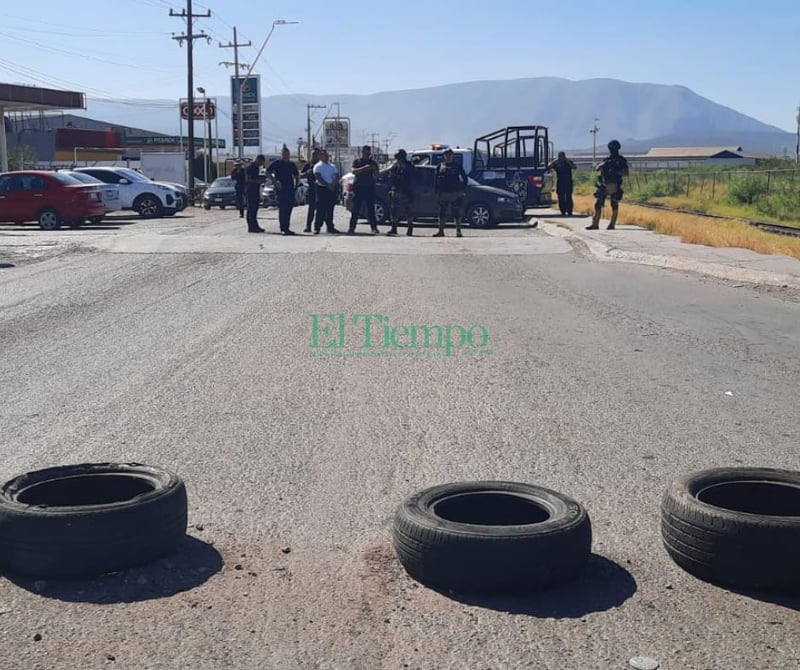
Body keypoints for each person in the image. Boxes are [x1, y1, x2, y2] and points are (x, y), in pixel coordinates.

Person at [588, 139, 629, 230]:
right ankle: (595, 224)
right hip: (604, 184)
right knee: (598, 203)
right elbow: (597, 169)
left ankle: (611, 224)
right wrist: (604, 164)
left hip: (614, 184)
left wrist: (615, 172)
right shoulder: (607, 160)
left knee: (613, 203)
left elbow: (626, 172)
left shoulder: (620, 160)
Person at [433, 148, 468, 237]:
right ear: (444, 156)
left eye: (450, 155)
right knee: (442, 212)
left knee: (456, 212)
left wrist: (461, 190)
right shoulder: (440, 166)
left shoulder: (457, 166)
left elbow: (465, 179)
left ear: (453, 156)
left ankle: (458, 231)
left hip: (454, 193)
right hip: (443, 193)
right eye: (446, 155)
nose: (448, 157)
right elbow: (435, 180)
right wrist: (436, 191)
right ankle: (441, 231)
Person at [382, 149, 415, 236]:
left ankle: (410, 229)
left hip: (406, 191)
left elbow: (412, 175)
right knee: (394, 211)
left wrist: (402, 166)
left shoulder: (409, 165)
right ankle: (394, 228)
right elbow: (390, 177)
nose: (398, 159)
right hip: (396, 190)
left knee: (408, 211)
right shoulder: (395, 166)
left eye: (399, 158)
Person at [268, 145, 300, 235]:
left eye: (287, 154)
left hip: (290, 189)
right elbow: (268, 172)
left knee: (289, 208)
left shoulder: (291, 164)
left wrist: (296, 185)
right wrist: (275, 181)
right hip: (281, 189)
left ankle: (287, 228)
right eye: (284, 154)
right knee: (283, 209)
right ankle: (283, 228)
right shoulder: (277, 163)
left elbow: (297, 175)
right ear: (281, 154)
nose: (286, 156)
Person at [348, 145, 380, 234]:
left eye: (368, 153)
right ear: (362, 153)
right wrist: (364, 168)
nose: (366, 155)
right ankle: (352, 227)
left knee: (371, 209)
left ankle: (374, 227)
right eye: (365, 153)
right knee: (356, 209)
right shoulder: (357, 161)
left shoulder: (373, 163)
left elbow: (377, 175)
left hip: (369, 187)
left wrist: (373, 169)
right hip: (359, 187)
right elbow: (353, 171)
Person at [312, 150, 342, 235]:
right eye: (323, 155)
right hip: (322, 189)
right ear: (320, 156)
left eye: (326, 155)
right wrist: (328, 185)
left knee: (330, 208)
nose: (325, 156)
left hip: (331, 189)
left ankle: (330, 227)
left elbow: (337, 176)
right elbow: (318, 177)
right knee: (320, 208)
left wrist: (333, 184)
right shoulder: (318, 166)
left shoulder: (332, 166)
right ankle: (317, 227)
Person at [548, 151, 576, 216]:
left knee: (568, 196)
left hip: (568, 181)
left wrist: (567, 161)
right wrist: (555, 161)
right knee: (561, 197)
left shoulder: (568, 162)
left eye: (562, 156)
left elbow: (574, 167)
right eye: (560, 156)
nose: (561, 158)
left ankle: (569, 211)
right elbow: (549, 167)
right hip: (560, 182)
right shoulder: (557, 163)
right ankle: (563, 211)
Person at [245, 155, 266, 233]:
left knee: (255, 208)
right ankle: (251, 226)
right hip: (250, 190)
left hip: (256, 189)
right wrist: (258, 181)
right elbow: (248, 179)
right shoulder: (250, 167)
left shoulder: (257, 168)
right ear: (257, 160)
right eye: (261, 162)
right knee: (251, 208)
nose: (261, 164)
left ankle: (255, 225)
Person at [301, 148, 320, 233]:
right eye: (313, 154)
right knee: (311, 209)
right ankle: (308, 226)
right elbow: (301, 175)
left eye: (317, 154)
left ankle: (317, 227)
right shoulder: (308, 165)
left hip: (320, 189)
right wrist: (307, 173)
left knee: (320, 209)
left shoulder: (321, 165)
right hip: (311, 188)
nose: (315, 156)